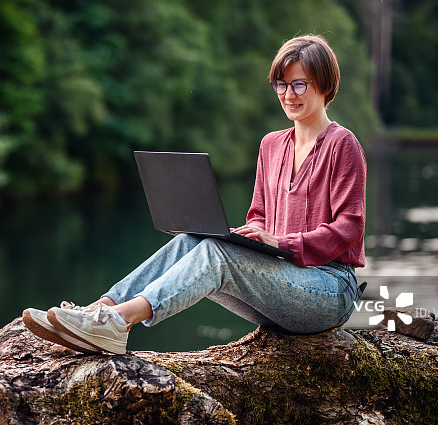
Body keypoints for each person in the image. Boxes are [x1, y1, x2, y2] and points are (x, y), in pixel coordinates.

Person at [23, 34, 366, 355]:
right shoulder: (271, 145)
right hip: (278, 283)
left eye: (299, 84)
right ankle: (97, 312)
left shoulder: (342, 144)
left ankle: (118, 323)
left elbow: (349, 227)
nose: (288, 94)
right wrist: (251, 236)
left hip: (329, 289)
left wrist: (281, 243)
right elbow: (259, 216)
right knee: (192, 239)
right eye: (281, 84)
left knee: (217, 254)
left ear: (325, 85)